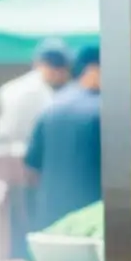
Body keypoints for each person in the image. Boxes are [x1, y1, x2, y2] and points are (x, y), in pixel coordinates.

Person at [24, 46, 102, 230]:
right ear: (94, 69)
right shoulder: (105, 109)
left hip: (50, 219)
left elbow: (31, 167)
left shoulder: (52, 106)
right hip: (91, 221)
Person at [0, 38, 71, 146]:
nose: (61, 73)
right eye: (55, 67)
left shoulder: (10, 88)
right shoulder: (28, 91)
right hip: (19, 151)